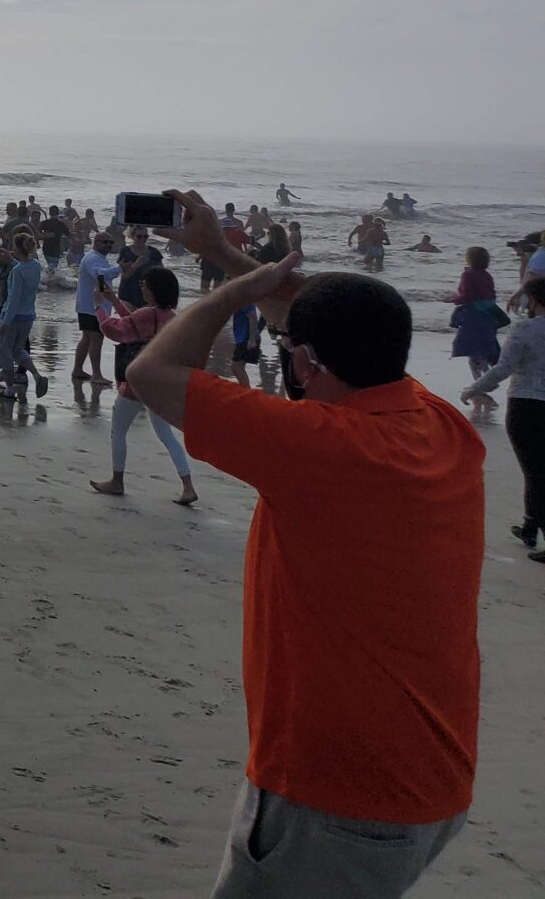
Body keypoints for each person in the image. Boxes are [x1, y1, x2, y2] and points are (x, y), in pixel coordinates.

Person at [126, 192, 480, 899]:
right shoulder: (438, 424)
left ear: (308, 363)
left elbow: (151, 374)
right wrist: (222, 253)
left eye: (291, 352)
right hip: (431, 779)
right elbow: (328, 322)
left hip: (338, 797)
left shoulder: (327, 446)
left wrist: (232, 290)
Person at [89, 266, 199, 505]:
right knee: (166, 435)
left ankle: (117, 480)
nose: (141, 287)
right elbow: (134, 323)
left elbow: (115, 330)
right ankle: (187, 485)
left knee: (118, 430)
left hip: (136, 382)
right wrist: (113, 300)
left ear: (153, 289)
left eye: (144, 284)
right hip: (160, 385)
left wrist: (99, 306)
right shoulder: (172, 317)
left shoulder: (147, 314)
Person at [462, 277, 545, 560]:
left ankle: (537, 526)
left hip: (527, 403)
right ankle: (530, 526)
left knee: (534, 469)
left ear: (534, 300)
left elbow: (503, 369)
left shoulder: (526, 329)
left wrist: (474, 389)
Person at [0, 232, 48, 402]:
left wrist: (6, 321)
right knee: (19, 349)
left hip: (13, 315)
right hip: (28, 314)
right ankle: (37, 375)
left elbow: (14, 297)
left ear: (17, 247)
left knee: (5, 351)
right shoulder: (35, 265)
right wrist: (8, 257)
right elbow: (23, 266)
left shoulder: (17, 271)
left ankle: (9, 389)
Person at [72, 230, 123, 389]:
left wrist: (106, 297)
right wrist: (120, 268)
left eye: (110, 243)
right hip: (90, 307)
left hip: (90, 305)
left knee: (87, 338)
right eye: (104, 242)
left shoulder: (98, 258)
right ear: (95, 242)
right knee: (96, 339)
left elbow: (99, 282)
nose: (108, 245)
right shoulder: (93, 258)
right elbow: (99, 274)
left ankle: (78, 370)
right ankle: (96, 374)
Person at [448, 247, 503, 379]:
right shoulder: (486, 275)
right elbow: (491, 294)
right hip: (489, 314)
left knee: (472, 349)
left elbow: (467, 295)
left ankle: (480, 382)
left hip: (473, 315)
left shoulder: (468, 275)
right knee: (486, 346)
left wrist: (454, 299)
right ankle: (488, 377)